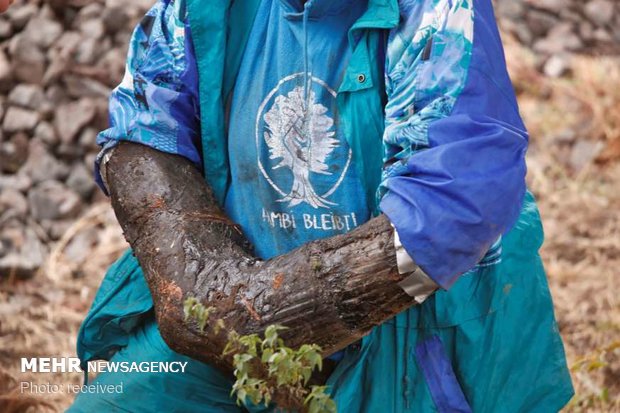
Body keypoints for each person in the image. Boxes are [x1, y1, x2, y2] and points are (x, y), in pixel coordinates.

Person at [69, 0, 574, 411]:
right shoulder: (207, 8)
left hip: (407, 337)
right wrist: (211, 295)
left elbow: (457, 191)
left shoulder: (437, 13)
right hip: (224, 321)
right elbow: (144, 125)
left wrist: (271, 313)